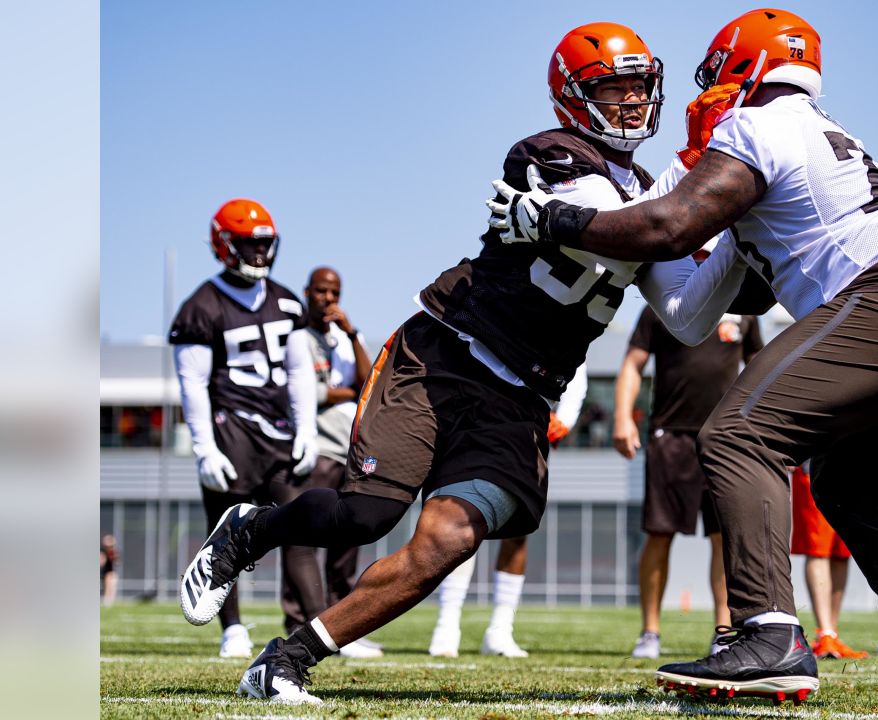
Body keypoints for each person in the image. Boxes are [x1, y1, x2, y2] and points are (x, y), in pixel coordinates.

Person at [179, 23, 750, 705]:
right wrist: (706, 184)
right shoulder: (553, 155)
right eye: (612, 87)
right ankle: (251, 528)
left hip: (521, 397)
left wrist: (740, 238)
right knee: (364, 516)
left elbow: (686, 315)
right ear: (574, 97)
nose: (631, 102)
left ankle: (284, 662)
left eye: (639, 86)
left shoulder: (654, 199)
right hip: (446, 355)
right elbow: (635, 231)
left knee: (448, 540)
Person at [490, 8, 878, 709]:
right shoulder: (819, 133)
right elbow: (693, 313)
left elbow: (669, 227)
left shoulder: (758, 122)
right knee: (845, 483)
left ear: (739, 66)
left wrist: (552, 220)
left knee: (737, 434)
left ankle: (770, 634)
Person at [171, 198, 317, 659]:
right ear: (223, 244)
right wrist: (203, 448)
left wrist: (307, 429)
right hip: (229, 429)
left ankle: (317, 622)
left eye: (264, 244)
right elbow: (191, 383)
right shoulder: (201, 306)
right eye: (247, 244)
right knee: (226, 534)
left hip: (277, 431)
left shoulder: (287, 300)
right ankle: (231, 626)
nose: (258, 253)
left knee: (300, 524)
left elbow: (299, 373)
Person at [615, 289, 762, 658]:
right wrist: (621, 417)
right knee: (659, 534)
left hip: (726, 439)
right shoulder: (662, 304)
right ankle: (649, 633)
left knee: (723, 538)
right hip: (670, 437)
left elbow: (760, 367)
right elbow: (633, 364)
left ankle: (724, 632)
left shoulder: (744, 306)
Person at [428, 367, 587, 659]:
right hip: (479, 419)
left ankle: (500, 629)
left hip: (529, 427)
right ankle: (447, 623)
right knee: (463, 518)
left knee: (518, 527)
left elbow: (578, 362)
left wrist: (566, 417)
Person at [291, 266, 382, 658]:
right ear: (307, 292)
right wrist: (341, 393)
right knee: (305, 536)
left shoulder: (346, 338)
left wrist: (351, 333)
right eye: (321, 291)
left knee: (347, 536)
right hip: (318, 446)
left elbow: (368, 383)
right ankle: (298, 623)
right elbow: (308, 393)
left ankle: (343, 625)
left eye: (335, 292)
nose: (328, 299)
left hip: (349, 446)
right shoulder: (297, 338)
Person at [789, 463, 868, 660]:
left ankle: (831, 633)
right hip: (814, 465)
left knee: (842, 552)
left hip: (853, 469)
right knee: (818, 550)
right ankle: (824, 633)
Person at [100, 535, 118, 606]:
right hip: (104, 573)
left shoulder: (113, 551)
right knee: (108, 580)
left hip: (111, 572)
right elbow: (102, 562)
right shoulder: (102, 551)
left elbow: (117, 561)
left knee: (113, 581)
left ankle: (111, 599)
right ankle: (107, 599)